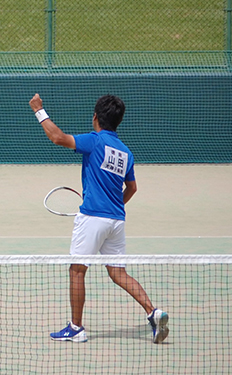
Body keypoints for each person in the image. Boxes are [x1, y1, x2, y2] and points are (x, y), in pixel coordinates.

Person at [29, 93, 169, 345]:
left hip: (92, 218)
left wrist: (39, 110)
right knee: (117, 272)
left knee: (77, 270)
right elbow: (132, 188)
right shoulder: (125, 152)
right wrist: (112, 205)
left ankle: (76, 328)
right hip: (116, 220)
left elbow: (57, 138)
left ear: (95, 117)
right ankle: (152, 312)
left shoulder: (94, 141)